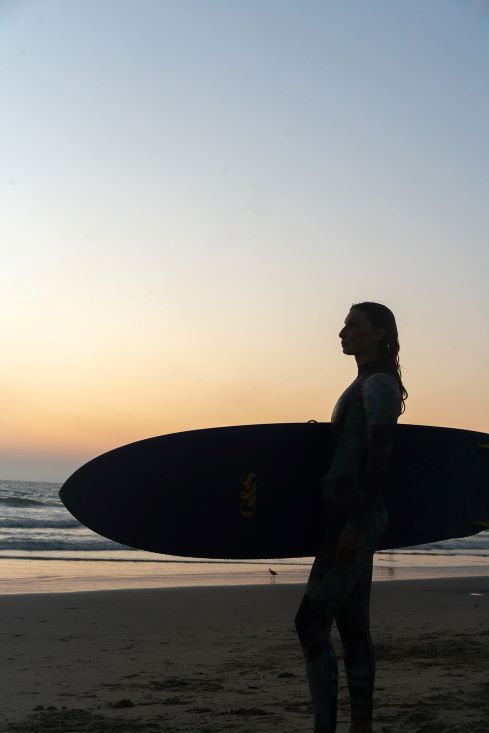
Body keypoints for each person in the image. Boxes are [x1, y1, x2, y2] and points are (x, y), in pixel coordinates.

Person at [295, 301, 408, 733]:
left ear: (378, 333)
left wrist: (356, 525)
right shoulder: (362, 383)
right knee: (352, 626)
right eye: (344, 324)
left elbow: (380, 457)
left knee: (310, 621)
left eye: (354, 325)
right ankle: (361, 726)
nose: (343, 332)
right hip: (345, 518)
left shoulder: (379, 384)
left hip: (354, 520)